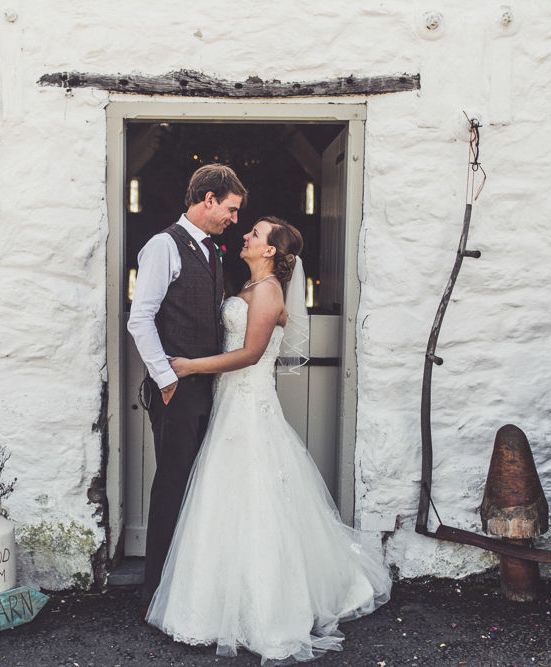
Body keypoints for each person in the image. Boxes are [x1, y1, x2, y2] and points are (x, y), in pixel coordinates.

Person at [146, 216, 391, 663]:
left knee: (254, 497)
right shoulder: (245, 288)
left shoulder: (269, 292)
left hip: (249, 405)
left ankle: (266, 609)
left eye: (255, 234)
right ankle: (217, 601)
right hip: (228, 404)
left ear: (271, 251)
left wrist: (189, 367)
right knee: (223, 500)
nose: (246, 236)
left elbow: (251, 354)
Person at [127, 164, 248, 604]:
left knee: (198, 484)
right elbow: (140, 319)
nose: (234, 220)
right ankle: (154, 592)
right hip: (176, 390)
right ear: (209, 199)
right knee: (174, 484)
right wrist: (165, 378)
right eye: (231, 210)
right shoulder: (163, 246)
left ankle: (187, 587)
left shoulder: (213, 251)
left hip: (205, 387)